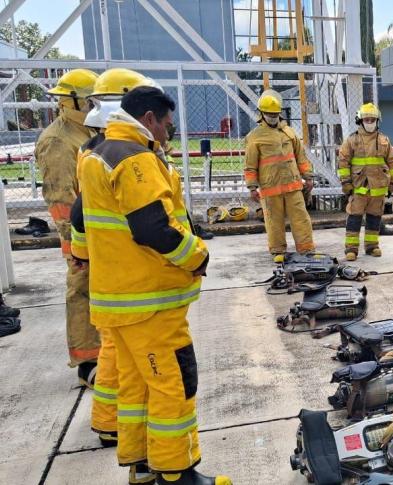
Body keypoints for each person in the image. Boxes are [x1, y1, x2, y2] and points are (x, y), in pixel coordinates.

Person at [71, 86, 230, 485]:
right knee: (173, 384)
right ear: (148, 119)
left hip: (120, 301)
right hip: (150, 303)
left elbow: (82, 219)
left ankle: (142, 467)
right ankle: (176, 472)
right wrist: (197, 256)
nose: (168, 132)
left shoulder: (98, 154)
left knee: (137, 388)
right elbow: (152, 228)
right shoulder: (134, 158)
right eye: (167, 125)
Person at [77, 68, 160, 450]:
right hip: (124, 275)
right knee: (116, 351)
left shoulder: (99, 148)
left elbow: (83, 217)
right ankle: (110, 422)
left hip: (115, 270)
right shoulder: (112, 153)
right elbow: (82, 215)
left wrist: (83, 255)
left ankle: (119, 429)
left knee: (122, 355)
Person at [35, 68, 101, 387]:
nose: (94, 106)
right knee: (82, 291)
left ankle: (105, 352)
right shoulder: (58, 140)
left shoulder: (89, 131)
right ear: (72, 101)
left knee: (102, 292)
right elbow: (61, 198)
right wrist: (75, 245)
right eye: (91, 101)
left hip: (99, 232)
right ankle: (88, 362)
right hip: (79, 237)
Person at [244, 90, 315, 263]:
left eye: (275, 114)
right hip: (270, 189)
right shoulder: (254, 137)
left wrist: (308, 177)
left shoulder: (289, 133)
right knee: (273, 221)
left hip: (293, 186)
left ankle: (306, 249)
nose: (272, 117)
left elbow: (301, 158)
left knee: (301, 219)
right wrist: (252, 187)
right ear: (262, 114)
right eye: (269, 114)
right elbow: (250, 165)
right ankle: (278, 250)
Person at [337, 103, 393, 261]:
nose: (370, 122)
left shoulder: (384, 141)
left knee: (374, 218)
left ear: (377, 121)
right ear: (360, 121)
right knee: (354, 218)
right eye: (367, 120)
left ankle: (372, 246)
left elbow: (392, 164)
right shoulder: (352, 140)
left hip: (378, 190)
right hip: (358, 188)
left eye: (372, 120)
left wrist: (391, 185)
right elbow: (343, 163)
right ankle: (351, 249)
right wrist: (347, 184)